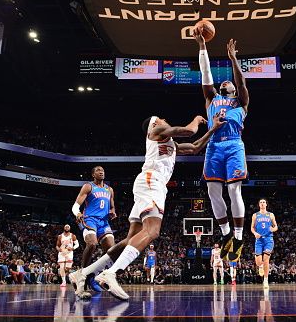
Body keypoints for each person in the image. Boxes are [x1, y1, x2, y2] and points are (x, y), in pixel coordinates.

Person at [72, 113, 224, 301]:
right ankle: (111, 273)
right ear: (154, 124)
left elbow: (193, 147)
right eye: (160, 118)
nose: (164, 119)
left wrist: (213, 129)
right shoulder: (157, 130)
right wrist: (198, 119)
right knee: (152, 231)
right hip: (152, 182)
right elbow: (188, 131)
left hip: (148, 183)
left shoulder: (169, 144)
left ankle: (84, 272)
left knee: (129, 240)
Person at [195, 30, 250, 262]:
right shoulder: (211, 98)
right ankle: (227, 234)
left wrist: (233, 59)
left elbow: (241, 81)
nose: (225, 81)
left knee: (233, 190)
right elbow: (205, 72)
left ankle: (238, 237)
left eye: (229, 82)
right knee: (212, 191)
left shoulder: (242, 101)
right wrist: (202, 46)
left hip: (234, 146)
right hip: (214, 146)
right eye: (223, 81)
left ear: (234, 90)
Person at [70, 166, 116, 296]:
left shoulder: (109, 189)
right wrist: (77, 213)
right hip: (89, 219)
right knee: (92, 244)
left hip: (104, 222)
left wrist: (112, 212)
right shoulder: (88, 186)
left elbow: (112, 207)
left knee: (112, 251)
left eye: (102, 170)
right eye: (98, 170)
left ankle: (92, 275)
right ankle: (82, 277)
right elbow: (75, 205)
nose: (101, 171)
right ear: (93, 175)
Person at [251, 199, 278, 289]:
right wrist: (255, 233)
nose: (262, 204)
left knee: (266, 259)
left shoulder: (271, 215)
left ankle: (266, 280)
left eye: (264, 202)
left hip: (268, 239)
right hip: (259, 240)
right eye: (261, 202)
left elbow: (276, 226)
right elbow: (252, 228)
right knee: (258, 262)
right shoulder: (255, 215)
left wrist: (272, 229)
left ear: (266, 204)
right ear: (259, 205)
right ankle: (260, 266)